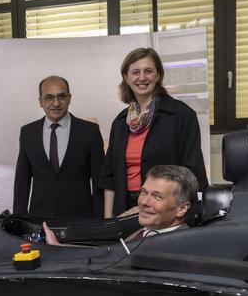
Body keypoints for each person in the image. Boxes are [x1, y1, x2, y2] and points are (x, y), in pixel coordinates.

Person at [99, 47, 208, 218]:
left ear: (158, 75)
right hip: (124, 208)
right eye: (135, 72)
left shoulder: (181, 115)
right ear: (126, 78)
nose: (142, 77)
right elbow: (109, 176)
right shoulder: (120, 122)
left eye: (148, 71)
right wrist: (107, 222)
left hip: (165, 209)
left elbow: (192, 172)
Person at [13, 75, 105, 218]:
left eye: (61, 96)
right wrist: (18, 222)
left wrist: (100, 222)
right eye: (49, 97)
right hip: (39, 220)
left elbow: (99, 182)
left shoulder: (90, 131)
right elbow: (22, 183)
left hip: (80, 221)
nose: (56, 103)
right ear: (40, 102)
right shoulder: (27, 133)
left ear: (69, 98)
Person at [44, 164, 198, 245]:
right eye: (144, 192)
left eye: (157, 196)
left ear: (182, 208)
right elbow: (109, 254)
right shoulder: (146, 230)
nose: (144, 202)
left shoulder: (179, 247)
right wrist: (59, 247)